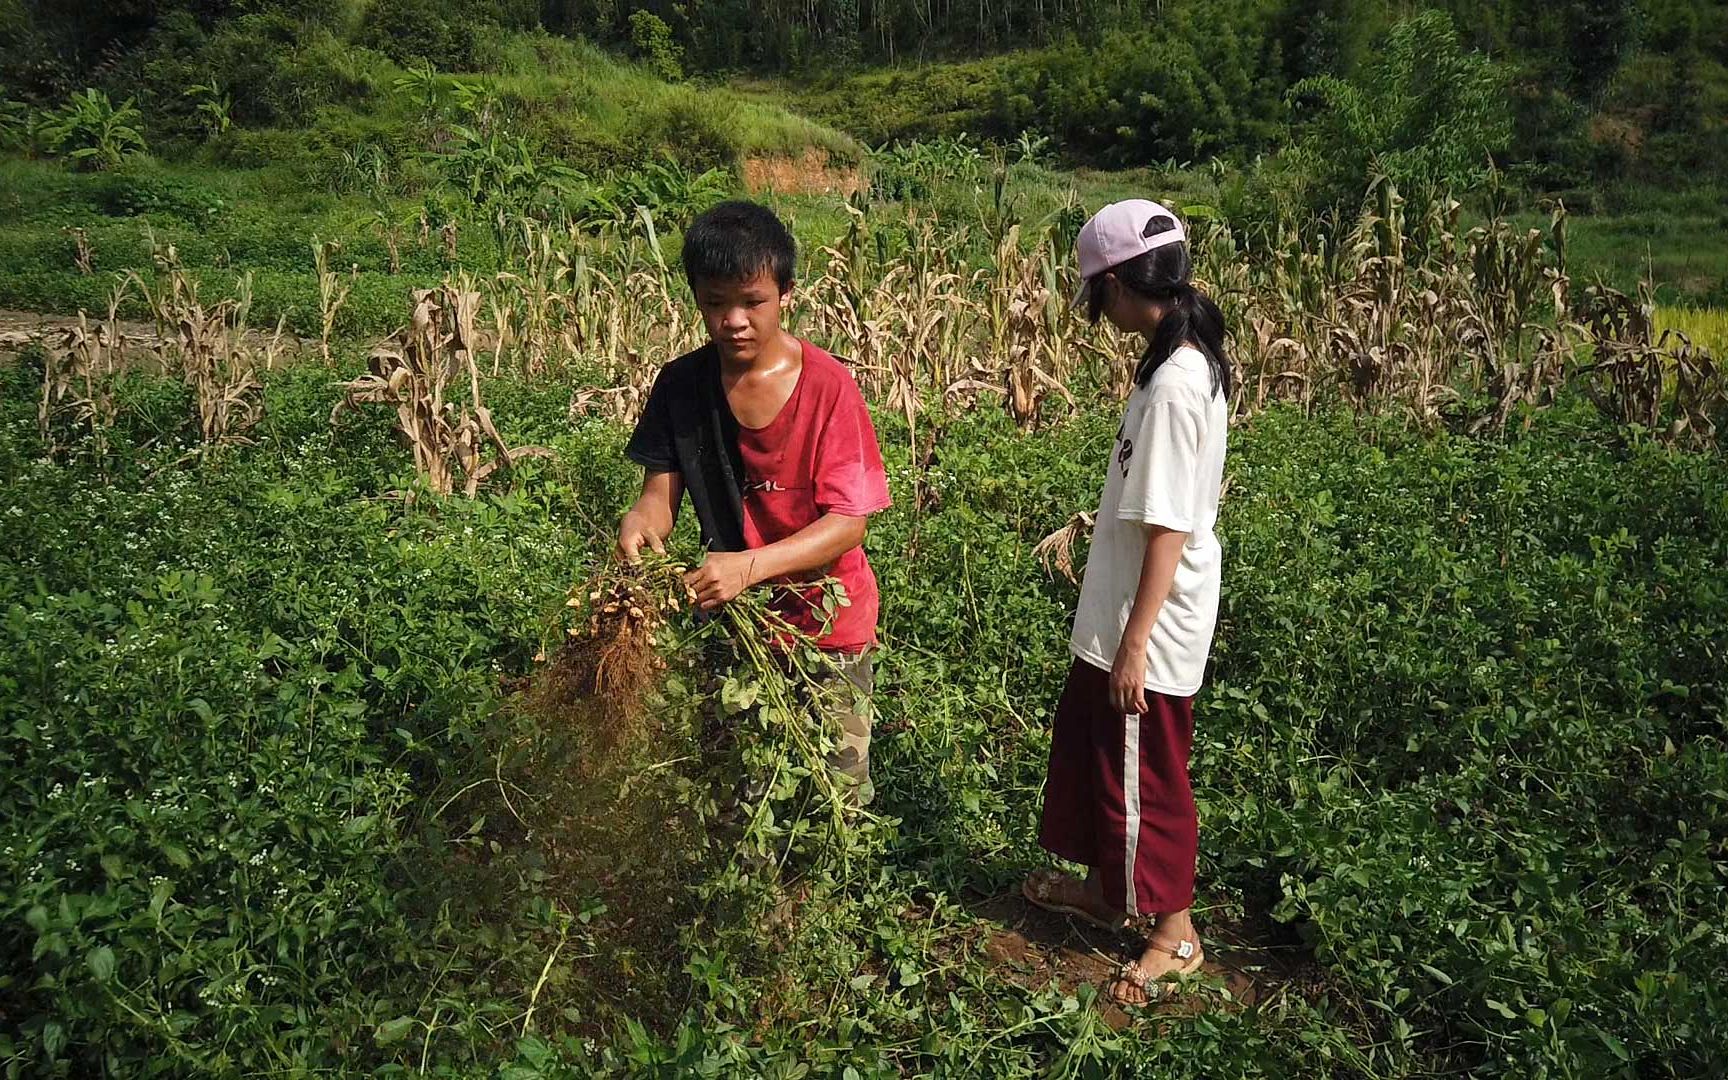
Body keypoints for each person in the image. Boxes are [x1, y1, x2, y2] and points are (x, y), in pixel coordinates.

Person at [1020, 200, 1231, 1007]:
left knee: (1145, 775)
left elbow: (1170, 527)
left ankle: (1174, 933)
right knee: (1094, 751)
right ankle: (1115, 891)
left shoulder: (1177, 383)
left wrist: (1137, 643)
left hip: (1148, 621)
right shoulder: (1176, 356)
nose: (1094, 311)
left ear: (1116, 285)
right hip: (1120, 612)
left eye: (1093, 294)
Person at [616, 200, 892, 806]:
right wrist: (640, 525)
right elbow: (657, 499)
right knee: (744, 789)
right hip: (734, 622)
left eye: (751, 301)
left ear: (787, 293)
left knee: (835, 790)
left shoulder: (828, 387)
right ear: (695, 297)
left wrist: (749, 567)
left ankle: (824, 898)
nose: (733, 320)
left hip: (827, 622)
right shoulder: (681, 387)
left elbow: (849, 525)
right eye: (715, 303)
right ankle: (757, 898)